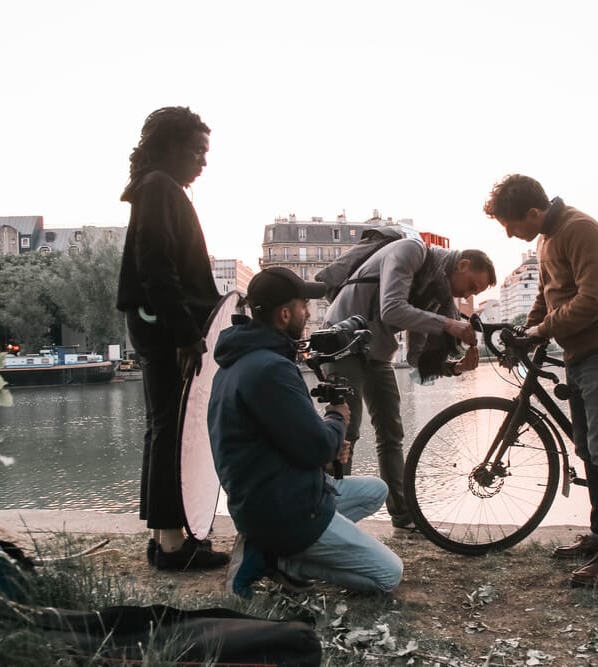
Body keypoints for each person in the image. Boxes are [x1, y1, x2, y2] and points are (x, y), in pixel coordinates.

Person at [208, 267, 402, 597]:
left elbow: (290, 441)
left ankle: (269, 545)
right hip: (283, 508)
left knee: (375, 490)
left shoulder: (243, 360)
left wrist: (329, 440)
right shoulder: (270, 369)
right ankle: (282, 561)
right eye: (302, 306)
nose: (308, 312)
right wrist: (337, 420)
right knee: (388, 574)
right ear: (285, 314)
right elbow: (315, 448)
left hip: (269, 494)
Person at [483, 174, 598, 587]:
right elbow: (548, 293)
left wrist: (542, 331)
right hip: (580, 353)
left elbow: (594, 299)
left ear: (534, 213)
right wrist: (528, 326)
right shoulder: (546, 238)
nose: (511, 234)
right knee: (588, 448)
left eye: (511, 225)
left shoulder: (580, 230)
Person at [116, 106, 227, 570]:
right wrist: (185, 334)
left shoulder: (157, 188)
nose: (203, 161)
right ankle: (170, 546)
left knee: (164, 427)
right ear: (170, 147)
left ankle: (167, 534)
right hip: (167, 330)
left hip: (158, 326)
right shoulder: (160, 188)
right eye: (197, 150)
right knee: (171, 430)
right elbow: (156, 264)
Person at [323, 239, 497, 530]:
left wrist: (455, 367)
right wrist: (447, 324)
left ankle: (403, 516)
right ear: (462, 264)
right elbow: (391, 309)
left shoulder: (436, 293)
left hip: (376, 351)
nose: (466, 295)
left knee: (391, 432)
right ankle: (330, 519)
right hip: (343, 342)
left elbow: (417, 357)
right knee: (346, 431)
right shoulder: (411, 252)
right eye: (470, 286)